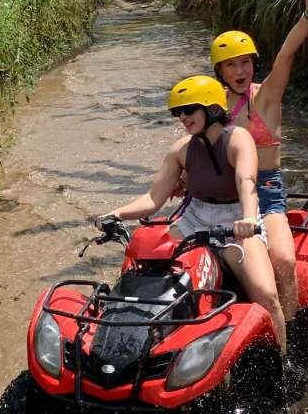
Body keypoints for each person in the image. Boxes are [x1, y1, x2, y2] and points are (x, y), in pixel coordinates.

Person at [96, 75, 289, 352]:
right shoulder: (181, 150)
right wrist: (114, 213)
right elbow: (153, 198)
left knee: (267, 295)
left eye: (189, 110)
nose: (182, 117)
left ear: (212, 109)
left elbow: (246, 182)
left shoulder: (238, 139)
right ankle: (128, 342)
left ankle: (282, 360)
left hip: (235, 222)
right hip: (194, 220)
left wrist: (248, 219)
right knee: (141, 266)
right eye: (178, 112)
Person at [209, 0, 308, 322]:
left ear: (253, 64)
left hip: (268, 190)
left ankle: (289, 337)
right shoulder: (213, 106)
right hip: (227, 193)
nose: (240, 70)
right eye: (231, 65)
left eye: (245, 62)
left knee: (285, 262)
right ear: (221, 72)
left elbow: (287, 53)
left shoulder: (267, 97)